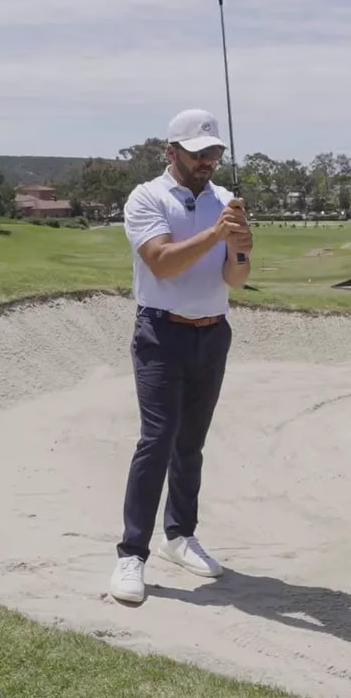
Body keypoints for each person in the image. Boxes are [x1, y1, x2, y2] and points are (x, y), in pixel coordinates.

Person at [108, 108, 253, 604]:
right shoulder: (146, 198)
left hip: (213, 333)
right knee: (158, 438)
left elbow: (235, 280)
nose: (208, 162)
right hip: (160, 333)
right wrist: (216, 235)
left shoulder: (228, 201)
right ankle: (132, 554)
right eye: (198, 154)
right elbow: (163, 265)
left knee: (190, 442)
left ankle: (179, 535)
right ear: (172, 152)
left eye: (214, 153)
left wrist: (240, 249)